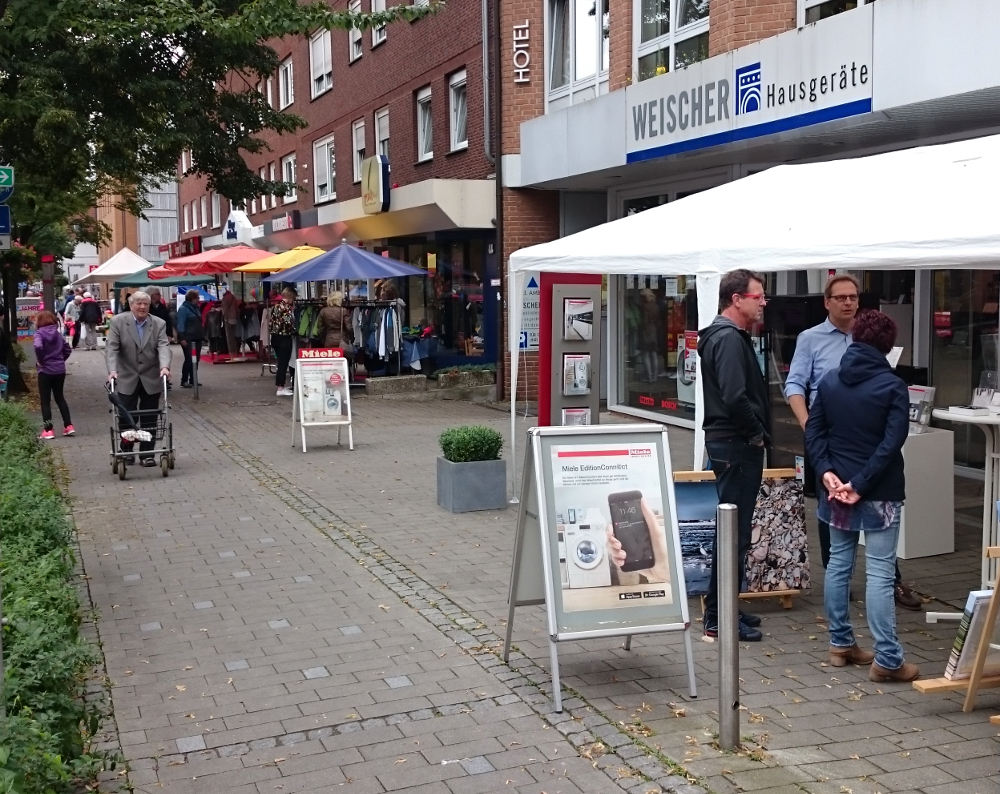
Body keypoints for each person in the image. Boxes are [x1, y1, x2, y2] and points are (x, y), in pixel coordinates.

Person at [785, 275, 922, 611]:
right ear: (827, 302)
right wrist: (811, 429)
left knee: (877, 529)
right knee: (834, 524)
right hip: (829, 440)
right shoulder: (811, 339)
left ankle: (891, 583)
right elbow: (795, 386)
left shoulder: (867, 337)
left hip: (867, 438)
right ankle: (841, 586)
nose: (848, 302)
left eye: (853, 297)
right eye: (841, 297)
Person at [805, 310, 918, 682]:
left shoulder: (830, 380)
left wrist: (827, 474)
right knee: (881, 573)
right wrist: (861, 483)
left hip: (836, 489)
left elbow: (814, 433)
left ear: (854, 337)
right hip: (878, 491)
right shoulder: (892, 386)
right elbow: (891, 443)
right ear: (888, 346)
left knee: (838, 563)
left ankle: (841, 643)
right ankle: (887, 658)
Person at [697, 269, 770, 642]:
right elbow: (734, 395)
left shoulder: (727, 336)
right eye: (758, 296)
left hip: (732, 443)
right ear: (737, 298)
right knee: (733, 532)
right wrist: (756, 434)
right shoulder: (726, 339)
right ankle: (717, 617)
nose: (763, 302)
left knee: (735, 531)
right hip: (736, 445)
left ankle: (724, 604)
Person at [106, 290, 171, 467]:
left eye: (146, 304)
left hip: (151, 376)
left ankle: (147, 454)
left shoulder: (158, 323)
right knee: (127, 416)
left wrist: (164, 366)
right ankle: (127, 452)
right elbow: (112, 349)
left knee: (150, 416)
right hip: (127, 375)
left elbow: (164, 346)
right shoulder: (118, 321)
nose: (142, 307)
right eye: (139, 303)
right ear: (131, 304)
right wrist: (112, 371)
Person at [33, 311, 73, 439]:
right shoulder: (57, 333)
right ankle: (68, 426)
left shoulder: (39, 333)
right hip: (59, 370)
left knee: (45, 401)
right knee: (60, 397)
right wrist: (61, 360)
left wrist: (41, 360)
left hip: (45, 370)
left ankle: (48, 430)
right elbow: (67, 349)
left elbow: (38, 346)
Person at [270, 287, 296, 396]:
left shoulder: (276, 306)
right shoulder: (286, 308)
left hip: (275, 337)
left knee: (280, 362)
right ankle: (280, 388)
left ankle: (280, 386)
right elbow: (288, 323)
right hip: (284, 337)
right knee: (283, 363)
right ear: (290, 297)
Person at [176, 290, 205, 388]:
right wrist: (182, 338)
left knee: (196, 359)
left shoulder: (196, 308)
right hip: (188, 338)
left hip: (197, 337)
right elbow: (181, 324)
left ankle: (193, 379)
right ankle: (184, 380)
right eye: (197, 297)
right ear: (192, 298)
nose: (199, 299)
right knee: (189, 359)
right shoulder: (184, 309)